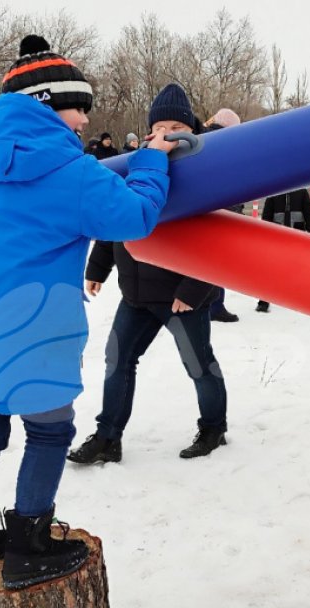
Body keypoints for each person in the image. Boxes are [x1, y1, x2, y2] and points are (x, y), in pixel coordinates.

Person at [0, 35, 175, 589]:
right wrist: (149, 161)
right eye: (78, 107)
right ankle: (29, 544)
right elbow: (136, 215)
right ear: (46, 105)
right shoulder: (71, 171)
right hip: (36, 331)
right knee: (48, 432)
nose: (86, 121)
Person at [68, 83, 229, 466]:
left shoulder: (207, 171)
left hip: (182, 297)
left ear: (190, 130)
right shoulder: (137, 166)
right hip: (137, 294)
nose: (168, 133)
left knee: (199, 365)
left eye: (178, 125)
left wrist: (192, 289)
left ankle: (213, 427)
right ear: (149, 132)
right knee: (118, 361)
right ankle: (108, 436)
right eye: (161, 126)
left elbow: (220, 241)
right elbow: (118, 218)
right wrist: (98, 267)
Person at [204, 108, 244, 323]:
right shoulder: (222, 144)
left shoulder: (206, 140)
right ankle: (215, 305)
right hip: (219, 210)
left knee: (210, 260)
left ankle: (211, 304)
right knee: (216, 260)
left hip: (213, 209)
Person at [257, 188, 310, 312]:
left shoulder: (302, 192)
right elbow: (267, 215)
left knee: (297, 266)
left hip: (297, 237)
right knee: (270, 269)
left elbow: (308, 212)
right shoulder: (274, 193)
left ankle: (297, 296)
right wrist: (265, 235)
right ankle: (264, 300)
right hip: (277, 238)